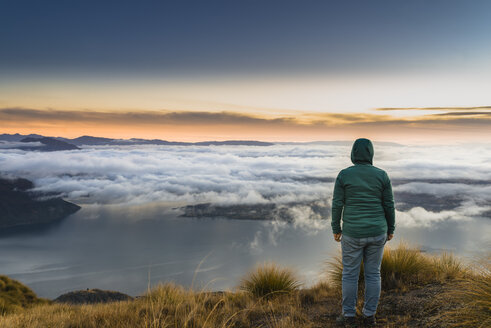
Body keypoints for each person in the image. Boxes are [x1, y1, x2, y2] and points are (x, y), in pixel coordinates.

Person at [331, 138, 395, 327]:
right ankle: (369, 316)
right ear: (371, 154)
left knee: (350, 275)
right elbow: (389, 205)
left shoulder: (344, 175)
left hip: (352, 233)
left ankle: (349, 317)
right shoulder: (382, 175)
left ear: (353, 154)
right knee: (373, 274)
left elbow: (337, 204)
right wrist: (391, 229)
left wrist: (336, 228)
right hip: (377, 232)